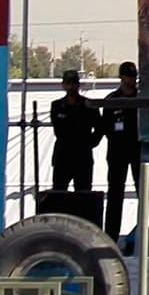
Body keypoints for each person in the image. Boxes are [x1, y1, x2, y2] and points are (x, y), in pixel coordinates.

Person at [48, 69, 102, 200]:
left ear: (78, 85)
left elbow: (100, 128)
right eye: (68, 83)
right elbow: (58, 130)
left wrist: (91, 143)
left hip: (82, 156)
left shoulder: (88, 105)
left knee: (83, 196)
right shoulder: (57, 106)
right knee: (59, 195)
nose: (71, 87)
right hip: (63, 155)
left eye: (73, 83)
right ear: (63, 85)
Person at [104, 61, 142, 234]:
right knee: (115, 195)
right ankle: (111, 234)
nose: (132, 80)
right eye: (129, 77)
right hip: (117, 151)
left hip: (137, 150)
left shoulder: (141, 98)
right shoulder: (112, 100)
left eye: (134, 77)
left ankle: (143, 233)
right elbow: (106, 127)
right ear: (121, 77)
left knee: (143, 192)